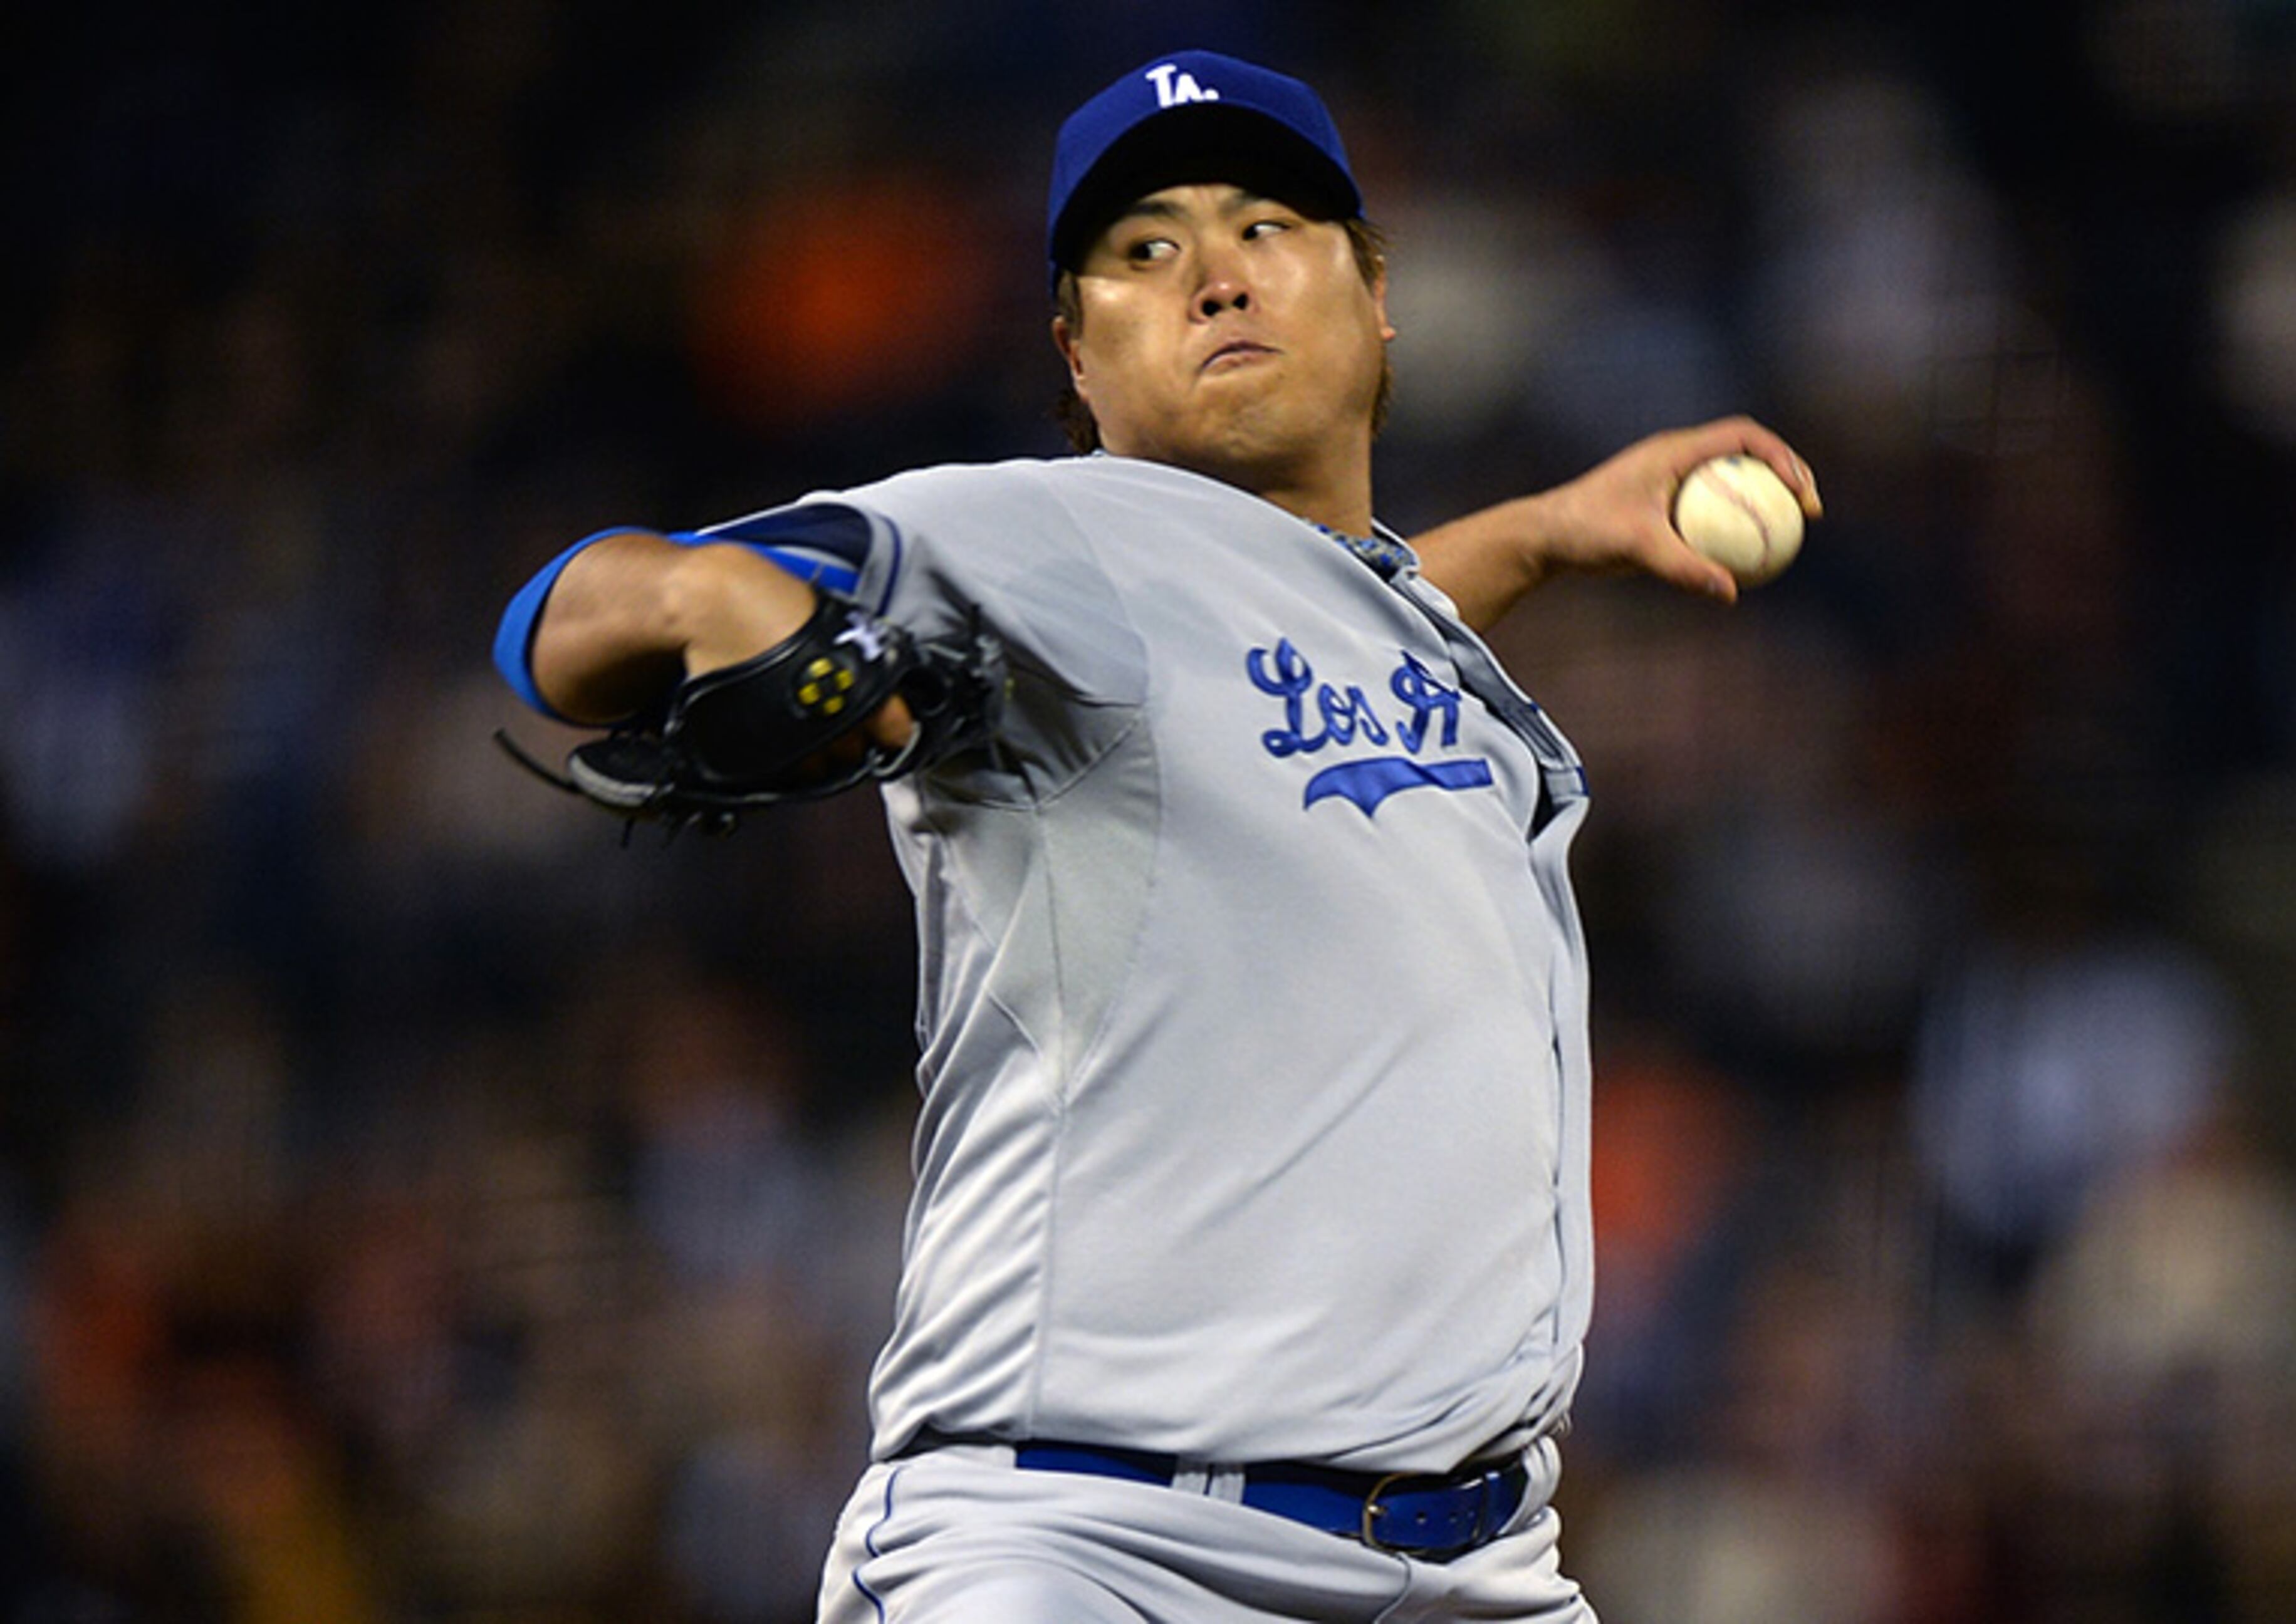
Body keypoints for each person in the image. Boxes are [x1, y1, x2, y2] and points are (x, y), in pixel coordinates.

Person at [494, 48, 1820, 1624]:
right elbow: (560, 620)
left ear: (1376, 293)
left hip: (1477, 1572)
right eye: (1144, 250)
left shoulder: (1376, 636)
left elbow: (1293, 654)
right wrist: (703, 598)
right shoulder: (1039, 537)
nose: (1214, 277)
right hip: (1091, 1546)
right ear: (1075, 352)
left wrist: (1540, 532)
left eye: (1268, 225)